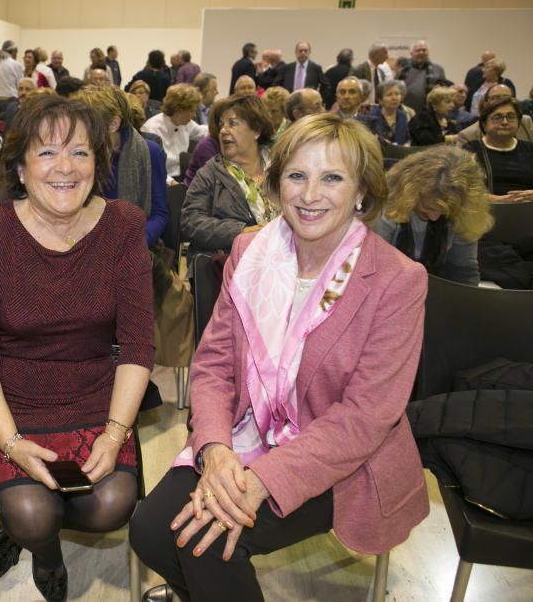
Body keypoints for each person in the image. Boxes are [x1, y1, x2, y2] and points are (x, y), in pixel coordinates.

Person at [131, 114, 430, 602]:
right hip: (247, 434)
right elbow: (212, 365)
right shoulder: (250, 251)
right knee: (149, 530)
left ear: (362, 192)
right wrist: (215, 451)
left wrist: (261, 481)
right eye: (297, 175)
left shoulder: (398, 280)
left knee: (208, 544)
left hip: (343, 458)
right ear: (275, 184)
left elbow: (365, 419)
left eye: (332, 177)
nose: (310, 194)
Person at [0, 95, 154, 602]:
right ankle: (41, 549)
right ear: (20, 168)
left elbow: (136, 345)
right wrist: (12, 443)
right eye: (47, 153)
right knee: (32, 512)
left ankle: (30, 522)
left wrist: (114, 434)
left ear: (98, 165)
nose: (65, 167)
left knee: (110, 506)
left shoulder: (123, 225)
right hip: (8, 398)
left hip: (92, 394)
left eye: (80, 153)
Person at [374, 146, 492, 285]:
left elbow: (463, 270)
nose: (434, 217)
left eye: (444, 212)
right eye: (427, 208)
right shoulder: (386, 208)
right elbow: (374, 270)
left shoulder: (464, 213)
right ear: (412, 192)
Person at [181, 94, 277, 258]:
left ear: (256, 130)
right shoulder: (210, 173)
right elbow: (191, 221)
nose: (224, 130)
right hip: (231, 263)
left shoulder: (280, 168)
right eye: (221, 125)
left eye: (232, 123)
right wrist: (240, 231)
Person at [74, 85, 170, 246]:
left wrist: (137, 242)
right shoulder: (75, 154)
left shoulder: (149, 153)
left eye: (87, 124)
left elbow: (159, 214)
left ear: (113, 124)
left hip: (131, 242)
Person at [462, 97, 533, 204]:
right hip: (485, 211)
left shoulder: (530, 149)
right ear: (484, 124)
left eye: (510, 117)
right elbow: (463, 190)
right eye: (497, 117)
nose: (505, 122)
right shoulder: (470, 149)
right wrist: (500, 200)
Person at [141, 84, 209, 179]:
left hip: (181, 176)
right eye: (191, 111)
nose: (193, 115)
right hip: (162, 179)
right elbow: (151, 168)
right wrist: (170, 182)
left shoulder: (186, 124)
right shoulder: (151, 129)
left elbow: (203, 132)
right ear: (179, 109)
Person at [456, 84, 533, 145]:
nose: (501, 102)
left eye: (506, 98)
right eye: (495, 98)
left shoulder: (525, 122)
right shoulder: (468, 135)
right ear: (485, 103)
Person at [398, 40, 446, 113]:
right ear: (411, 53)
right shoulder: (402, 71)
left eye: (424, 50)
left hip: (430, 113)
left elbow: (443, 91)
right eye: (418, 50)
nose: (421, 52)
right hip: (407, 112)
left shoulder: (438, 70)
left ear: (428, 52)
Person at [369, 79, 410, 145]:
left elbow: (407, 139)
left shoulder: (403, 115)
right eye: (389, 95)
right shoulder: (372, 117)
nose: (394, 98)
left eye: (397, 94)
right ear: (380, 100)